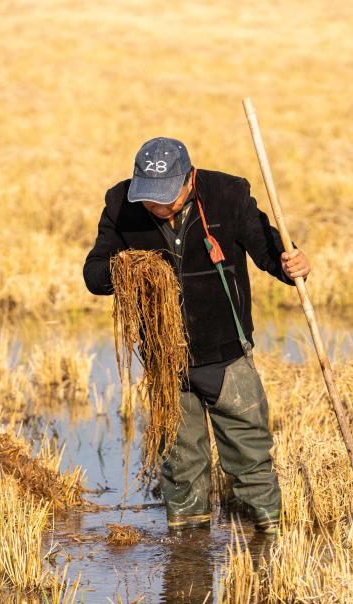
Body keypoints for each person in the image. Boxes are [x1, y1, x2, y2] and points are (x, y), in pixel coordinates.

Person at [83, 137, 310, 533]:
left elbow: (269, 251)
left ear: (189, 179)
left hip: (225, 357)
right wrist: (128, 267)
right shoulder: (121, 204)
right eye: (148, 198)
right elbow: (94, 274)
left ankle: (270, 536)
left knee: (250, 457)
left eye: (164, 197)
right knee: (180, 464)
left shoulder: (228, 194)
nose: (154, 206)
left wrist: (292, 262)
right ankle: (188, 551)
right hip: (165, 363)